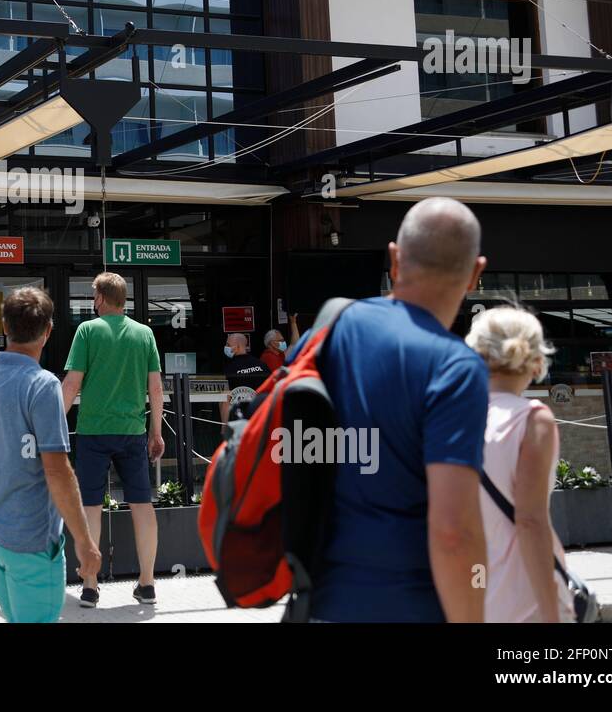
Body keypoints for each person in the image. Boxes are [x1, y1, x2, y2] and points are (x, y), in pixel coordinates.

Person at [287, 196, 490, 622]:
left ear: (394, 260)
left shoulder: (326, 331)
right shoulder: (456, 367)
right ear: (475, 274)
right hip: (411, 607)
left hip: (317, 602)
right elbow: (455, 532)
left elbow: (293, 454)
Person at [0, 288, 101, 623]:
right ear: (48, 331)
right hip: (30, 537)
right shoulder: (42, 385)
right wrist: (85, 542)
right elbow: (58, 472)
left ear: (4, 326)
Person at [61, 272, 165, 607]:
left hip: (93, 431)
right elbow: (156, 388)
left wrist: (52, 425)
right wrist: (157, 432)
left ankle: (90, 585)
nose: (93, 302)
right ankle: (147, 584)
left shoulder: (88, 331)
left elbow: (71, 384)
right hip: (133, 431)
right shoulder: (144, 333)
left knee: (90, 506)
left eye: (94, 296)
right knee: (142, 505)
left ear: (102, 298)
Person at [466, 307, 574, 623]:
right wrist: (551, 613)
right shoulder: (532, 420)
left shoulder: (451, 418)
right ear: (536, 358)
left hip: (471, 592)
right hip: (525, 599)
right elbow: (530, 521)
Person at [222, 332, 270, 423]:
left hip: (239, 419)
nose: (226, 347)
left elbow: (225, 399)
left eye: (228, 345)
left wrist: (224, 426)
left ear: (238, 346)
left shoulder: (229, 369)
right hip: (262, 415)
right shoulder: (261, 365)